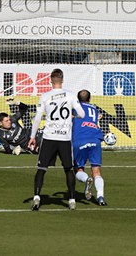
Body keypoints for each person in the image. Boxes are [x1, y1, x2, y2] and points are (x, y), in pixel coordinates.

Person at [27, 69, 84, 211]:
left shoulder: (45, 96)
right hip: (64, 138)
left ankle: (36, 197)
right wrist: (73, 116)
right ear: (62, 80)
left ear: (50, 81)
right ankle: (71, 200)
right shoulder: (71, 95)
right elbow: (82, 114)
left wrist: (32, 137)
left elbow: (38, 118)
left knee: (41, 169)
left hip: (49, 137)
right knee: (68, 169)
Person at [72, 90, 107, 206]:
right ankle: (100, 196)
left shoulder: (75, 108)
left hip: (80, 139)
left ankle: (86, 179)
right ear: (90, 99)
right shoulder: (94, 109)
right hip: (95, 139)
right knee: (96, 171)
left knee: (78, 169)